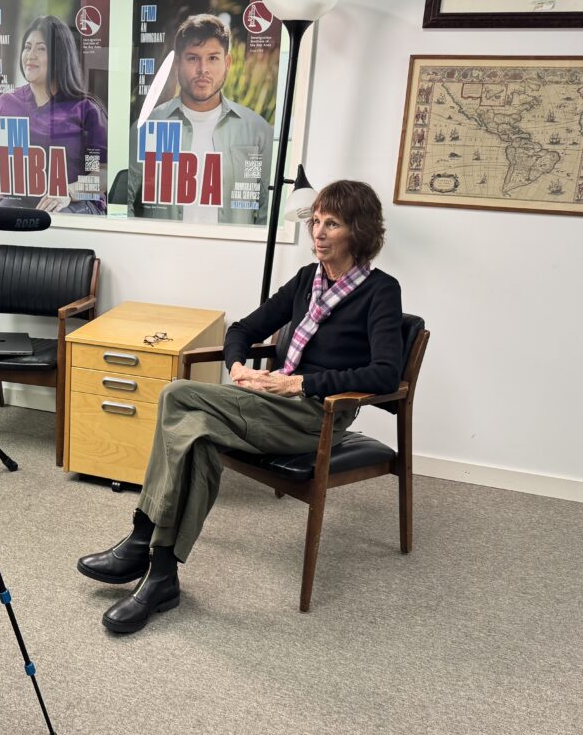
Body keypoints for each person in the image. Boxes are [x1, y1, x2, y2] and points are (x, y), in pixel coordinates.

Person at [77, 180, 404, 633]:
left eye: (333, 223)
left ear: (359, 231)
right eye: (316, 222)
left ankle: (140, 534)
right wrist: (238, 370)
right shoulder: (307, 280)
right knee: (198, 440)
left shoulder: (380, 291)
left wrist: (301, 383)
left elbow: (386, 373)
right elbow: (243, 329)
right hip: (265, 401)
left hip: (315, 418)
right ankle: (162, 574)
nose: (319, 232)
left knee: (175, 394)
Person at [127, 14, 273, 225]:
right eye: (193, 58)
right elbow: (124, 202)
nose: (203, 69)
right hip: (161, 254)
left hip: (232, 256)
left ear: (227, 62)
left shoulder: (256, 130)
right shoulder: (148, 126)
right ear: (178, 62)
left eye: (213, 58)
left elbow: (267, 208)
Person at [0, 15, 107, 214]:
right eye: (27, 47)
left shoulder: (85, 111)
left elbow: (100, 174)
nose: (30, 55)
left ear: (60, 56)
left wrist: (69, 193)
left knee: (57, 217)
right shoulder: (6, 106)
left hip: (73, 205)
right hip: (22, 206)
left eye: (41, 48)